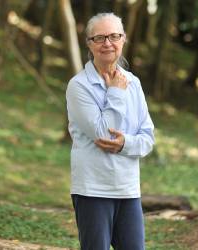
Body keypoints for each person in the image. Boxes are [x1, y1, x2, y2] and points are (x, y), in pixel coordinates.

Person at [66, 12, 155, 250]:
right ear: (89, 44)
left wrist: (125, 143)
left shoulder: (133, 83)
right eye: (100, 38)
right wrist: (115, 93)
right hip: (93, 190)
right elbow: (103, 134)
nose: (108, 43)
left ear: (123, 39)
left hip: (128, 189)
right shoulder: (79, 86)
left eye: (114, 36)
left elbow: (147, 139)